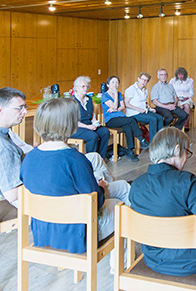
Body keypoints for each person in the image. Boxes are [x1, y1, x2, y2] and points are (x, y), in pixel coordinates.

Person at [20, 98, 121, 254]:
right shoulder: (74, 159)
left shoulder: (29, 158)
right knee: (123, 201)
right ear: (69, 125)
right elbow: (95, 202)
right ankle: (122, 263)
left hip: (43, 230)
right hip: (77, 232)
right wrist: (101, 188)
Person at [129, 127, 196, 276]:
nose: (187, 158)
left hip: (153, 260)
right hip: (190, 263)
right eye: (186, 152)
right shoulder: (186, 182)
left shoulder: (136, 185)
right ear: (177, 150)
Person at [102, 75, 146, 162]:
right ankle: (141, 139)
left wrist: (115, 109)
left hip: (120, 117)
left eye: (117, 82)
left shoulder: (119, 94)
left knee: (128, 127)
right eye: (113, 82)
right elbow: (114, 105)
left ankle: (131, 151)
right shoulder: (105, 96)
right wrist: (115, 97)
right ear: (108, 85)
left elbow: (122, 107)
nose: (115, 84)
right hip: (110, 120)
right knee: (131, 120)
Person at [70, 76, 111, 158]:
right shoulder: (72, 101)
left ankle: (100, 158)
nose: (86, 88)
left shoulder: (88, 100)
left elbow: (91, 115)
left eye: (87, 86)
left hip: (88, 125)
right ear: (76, 88)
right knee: (92, 136)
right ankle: (90, 160)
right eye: (83, 86)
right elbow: (73, 121)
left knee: (105, 132)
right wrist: (88, 127)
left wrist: (94, 123)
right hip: (75, 128)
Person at [124, 72, 164, 142]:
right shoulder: (131, 89)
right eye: (143, 79)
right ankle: (153, 143)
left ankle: (159, 140)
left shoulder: (144, 89)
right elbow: (126, 104)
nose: (144, 82)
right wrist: (138, 109)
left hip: (143, 111)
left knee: (160, 117)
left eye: (146, 80)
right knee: (153, 119)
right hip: (134, 113)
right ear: (138, 79)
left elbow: (144, 102)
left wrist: (150, 108)